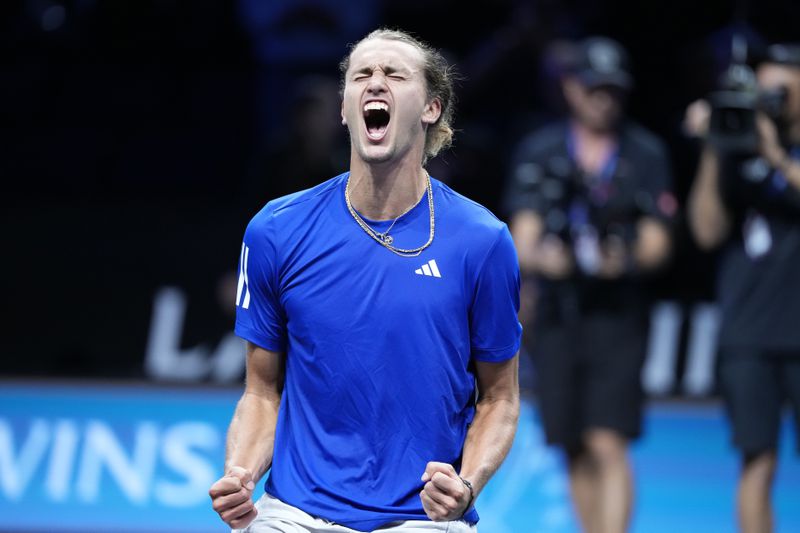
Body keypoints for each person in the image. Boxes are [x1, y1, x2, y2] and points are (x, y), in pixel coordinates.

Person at [208, 28, 523, 532]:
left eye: (395, 75)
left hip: (421, 519)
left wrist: (466, 485)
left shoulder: (483, 242)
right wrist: (241, 473)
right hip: (293, 514)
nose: (376, 83)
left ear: (432, 109)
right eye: (362, 75)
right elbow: (262, 392)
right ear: (345, 109)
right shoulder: (275, 230)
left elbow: (500, 398)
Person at [503, 36, 676, 533]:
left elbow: (659, 242)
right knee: (574, 443)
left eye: (613, 90)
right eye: (594, 88)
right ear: (571, 89)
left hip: (617, 316)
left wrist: (620, 259)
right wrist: (543, 257)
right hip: (557, 316)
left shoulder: (645, 152)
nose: (605, 99)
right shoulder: (540, 150)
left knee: (608, 439)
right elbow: (522, 236)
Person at [685, 42, 800, 533]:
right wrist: (714, 147)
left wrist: (776, 155)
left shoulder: (779, 154)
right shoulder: (735, 153)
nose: (771, 101)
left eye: (783, 91)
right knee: (757, 461)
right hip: (749, 336)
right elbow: (707, 232)